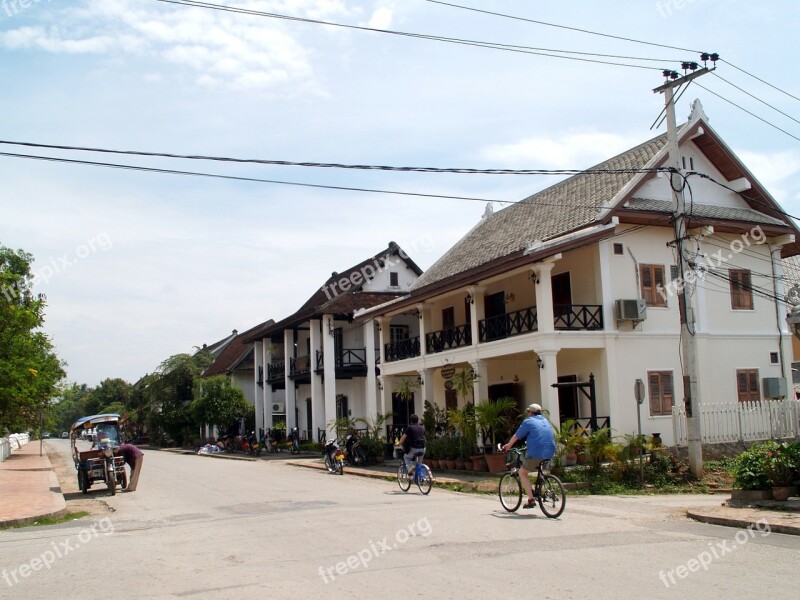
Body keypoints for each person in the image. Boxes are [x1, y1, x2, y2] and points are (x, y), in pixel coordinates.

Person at [501, 403, 556, 509]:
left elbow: (517, 436)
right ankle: (541, 485)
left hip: (536, 452)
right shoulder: (545, 421)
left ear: (530, 413)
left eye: (528, 412)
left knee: (522, 473)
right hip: (550, 451)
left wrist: (508, 446)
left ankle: (531, 500)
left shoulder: (528, 421)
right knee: (538, 466)